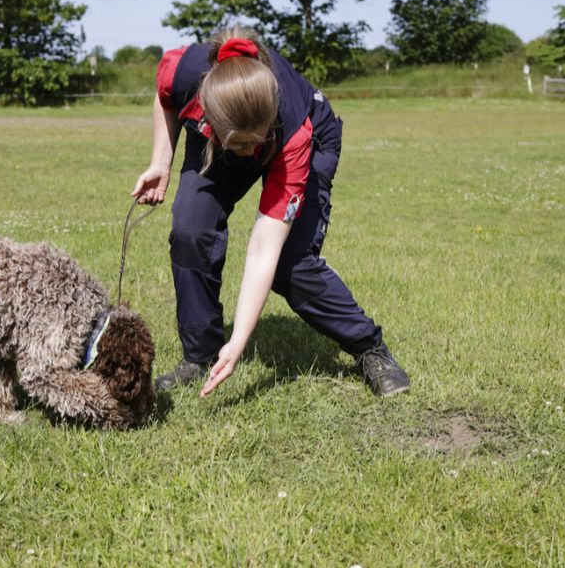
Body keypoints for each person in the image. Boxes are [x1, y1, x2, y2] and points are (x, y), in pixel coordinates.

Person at [131, 27, 411, 398]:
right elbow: (166, 98)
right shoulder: (183, 71)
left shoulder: (291, 128)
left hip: (305, 139)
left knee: (289, 264)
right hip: (219, 141)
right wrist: (160, 162)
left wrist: (240, 341)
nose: (247, 153)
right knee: (190, 230)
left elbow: (264, 247)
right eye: (238, 144)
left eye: (253, 142)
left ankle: (369, 348)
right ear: (208, 115)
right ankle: (200, 356)